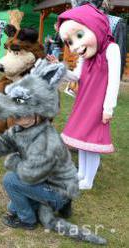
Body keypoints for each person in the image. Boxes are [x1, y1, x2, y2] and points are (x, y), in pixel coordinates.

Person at [54, 4, 121, 190]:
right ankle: (81, 173)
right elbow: (76, 76)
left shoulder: (111, 49)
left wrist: (108, 107)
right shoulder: (86, 57)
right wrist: (60, 70)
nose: (75, 46)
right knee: (83, 141)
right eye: (69, 42)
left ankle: (88, 179)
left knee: (92, 143)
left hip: (98, 105)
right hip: (83, 103)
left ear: (96, 26)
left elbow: (114, 80)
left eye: (79, 36)